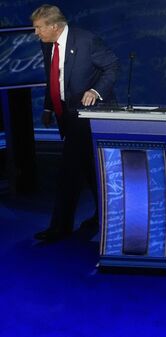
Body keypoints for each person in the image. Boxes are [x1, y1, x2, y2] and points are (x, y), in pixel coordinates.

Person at [31, 4, 119, 241]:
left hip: (88, 116)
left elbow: (112, 66)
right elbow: (53, 76)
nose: (36, 33)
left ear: (54, 26)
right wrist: (48, 107)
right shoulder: (47, 44)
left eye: (39, 28)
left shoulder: (87, 41)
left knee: (68, 171)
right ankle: (104, 217)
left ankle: (60, 227)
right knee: (91, 171)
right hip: (65, 115)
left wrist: (95, 90)